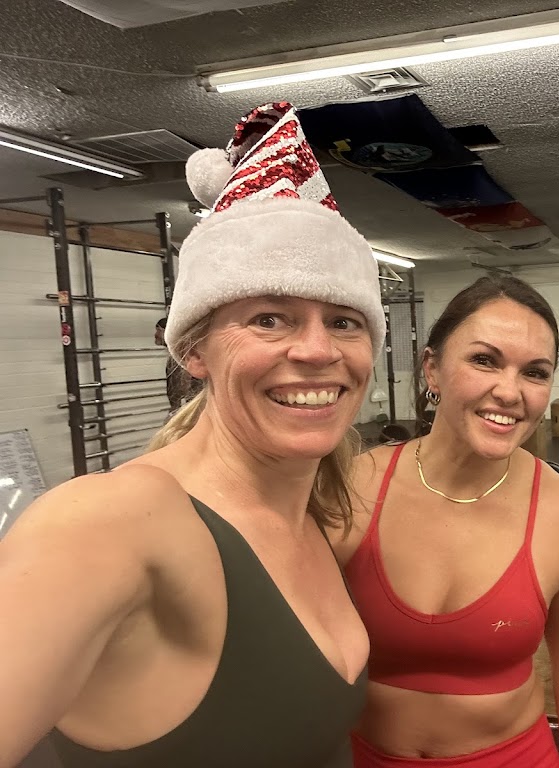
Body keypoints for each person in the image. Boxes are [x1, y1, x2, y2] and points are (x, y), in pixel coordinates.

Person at [0, 101, 386, 768]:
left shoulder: (315, 511)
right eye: (270, 318)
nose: (319, 350)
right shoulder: (108, 523)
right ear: (195, 350)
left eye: (344, 321)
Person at [333, 275, 559, 768]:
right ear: (432, 369)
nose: (509, 391)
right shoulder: (352, 486)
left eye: (535, 372)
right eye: (484, 360)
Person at [155, 316, 203, 412]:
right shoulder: (178, 354)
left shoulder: (178, 356)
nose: (155, 335)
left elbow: (181, 387)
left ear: (165, 332)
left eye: (158, 330)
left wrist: (176, 410)